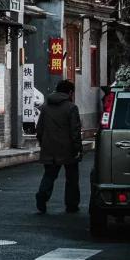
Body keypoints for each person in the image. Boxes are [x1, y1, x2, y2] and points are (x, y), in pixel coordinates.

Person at [35, 79, 83, 214]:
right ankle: (71, 205)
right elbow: (75, 131)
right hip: (68, 149)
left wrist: (43, 143)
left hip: (49, 147)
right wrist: (78, 148)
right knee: (72, 178)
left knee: (49, 175)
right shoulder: (72, 108)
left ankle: (42, 196)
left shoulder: (45, 107)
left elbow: (39, 129)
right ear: (70, 92)